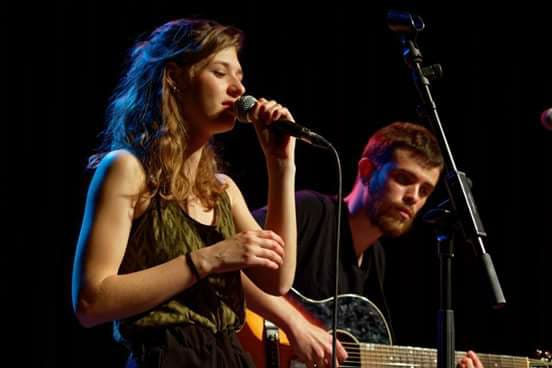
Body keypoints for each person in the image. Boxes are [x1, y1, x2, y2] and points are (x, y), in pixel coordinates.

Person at [71, 18, 299, 368]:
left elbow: (278, 278)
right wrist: (210, 258)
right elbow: (91, 302)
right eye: (221, 73)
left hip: (229, 357)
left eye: (239, 76)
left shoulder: (223, 189)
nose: (238, 89)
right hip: (168, 355)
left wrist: (281, 167)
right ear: (175, 76)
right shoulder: (128, 169)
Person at [242, 122, 484, 368]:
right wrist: (295, 324)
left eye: (425, 190)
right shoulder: (310, 211)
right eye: (403, 179)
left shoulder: (376, 259)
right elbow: (232, 264)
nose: (413, 197)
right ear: (367, 171)